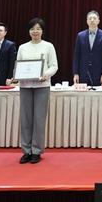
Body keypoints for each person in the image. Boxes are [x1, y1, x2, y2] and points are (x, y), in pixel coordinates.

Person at [16, 18, 58, 164]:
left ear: (42, 31)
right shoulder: (22, 47)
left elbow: (54, 65)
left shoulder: (48, 46)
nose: (35, 31)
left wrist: (45, 75)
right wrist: (16, 76)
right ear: (29, 31)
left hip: (42, 86)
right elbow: (18, 66)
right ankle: (26, 150)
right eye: (33, 29)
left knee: (39, 119)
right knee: (26, 119)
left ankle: (36, 151)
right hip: (25, 86)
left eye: (38, 29)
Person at [73, 10, 102, 86]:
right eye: (90, 18)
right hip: (83, 73)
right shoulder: (80, 36)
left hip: (99, 74)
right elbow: (76, 56)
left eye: (94, 18)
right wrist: (75, 73)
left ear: (98, 21)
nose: (92, 20)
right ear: (87, 21)